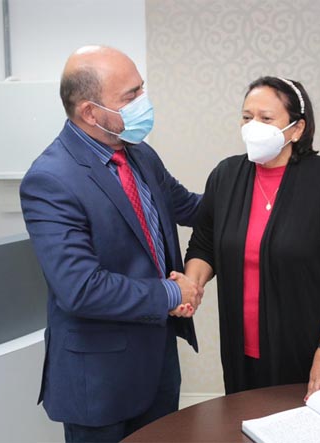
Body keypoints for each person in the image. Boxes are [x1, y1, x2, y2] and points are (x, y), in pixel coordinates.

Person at [20, 45, 203, 443]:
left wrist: (252, 185)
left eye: (142, 89)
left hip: (157, 365)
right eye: (131, 95)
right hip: (98, 382)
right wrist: (173, 291)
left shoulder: (140, 155)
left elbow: (190, 207)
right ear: (90, 112)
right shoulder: (50, 180)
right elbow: (80, 288)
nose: (143, 102)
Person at [185, 76, 320, 400]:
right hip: (242, 353)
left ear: (297, 129)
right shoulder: (226, 176)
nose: (253, 126)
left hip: (312, 353)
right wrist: (190, 286)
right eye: (247, 117)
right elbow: (204, 245)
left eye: (266, 118)